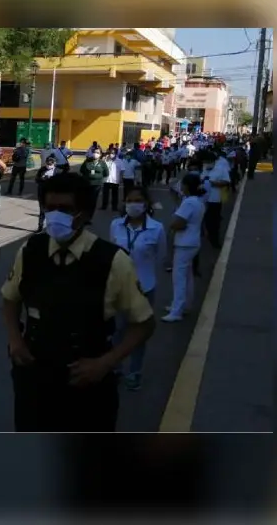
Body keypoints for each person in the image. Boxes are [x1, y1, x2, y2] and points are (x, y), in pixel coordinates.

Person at [1, 173, 155, 432]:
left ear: (83, 214)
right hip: (34, 378)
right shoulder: (31, 251)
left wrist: (106, 362)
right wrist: (15, 340)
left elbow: (145, 323)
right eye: (49, 208)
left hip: (87, 383)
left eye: (65, 209)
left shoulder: (113, 261)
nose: (55, 216)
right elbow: (9, 298)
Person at [108, 186, 167, 390]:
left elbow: (160, 257)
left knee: (138, 333)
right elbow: (112, 255)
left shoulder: (157, 228)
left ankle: (135, 372)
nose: (133, 204)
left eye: (138, 200)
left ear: (146, 204)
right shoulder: (116, 225)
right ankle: (114, 366)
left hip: (144, 288)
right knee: (117, 330)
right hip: (119, 289)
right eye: (129, 200)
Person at [162, 174, 206, 323]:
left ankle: (177, 310)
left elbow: (179, 222)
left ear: (187, 186)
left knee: (179, 277)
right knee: (187, 276)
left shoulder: (189, 203)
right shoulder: (195, 201)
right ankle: (184, 305)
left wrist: (172, 225)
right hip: (192, 242)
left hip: (184, 242)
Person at [200, 151, 230, 249]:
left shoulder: (221, 169)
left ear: (213, 161)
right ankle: (208, 233)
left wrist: (215, 184)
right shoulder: (205, 168)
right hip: (203, 199)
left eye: (208, 161)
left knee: (214, 221)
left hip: (215, 199)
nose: (207, 163)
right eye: (205, 162)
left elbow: (226, 182)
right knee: (206, 220)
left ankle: (215, 240)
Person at [34, 155, 58, 232]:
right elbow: (36, 179)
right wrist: (42, 179)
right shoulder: (42, 169)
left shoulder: (57, 171)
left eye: (50, 164)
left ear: (54, 163)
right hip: (42, 193)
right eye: (47, 164)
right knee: (42, 211)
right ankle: (40, 227)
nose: (48, 165)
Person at [100, 148, 121, 212]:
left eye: (113, 153)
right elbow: (101, 167)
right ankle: (104, 206)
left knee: (115, 194)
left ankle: (114, 207)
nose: (111, 154)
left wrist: (121, 179)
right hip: (106, 180)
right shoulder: (106, 159)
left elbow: (122, 170)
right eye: (110, 153)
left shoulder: (119, 161)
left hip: (115, 180)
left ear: (116, 154)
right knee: (105, 194)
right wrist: (103, 159)